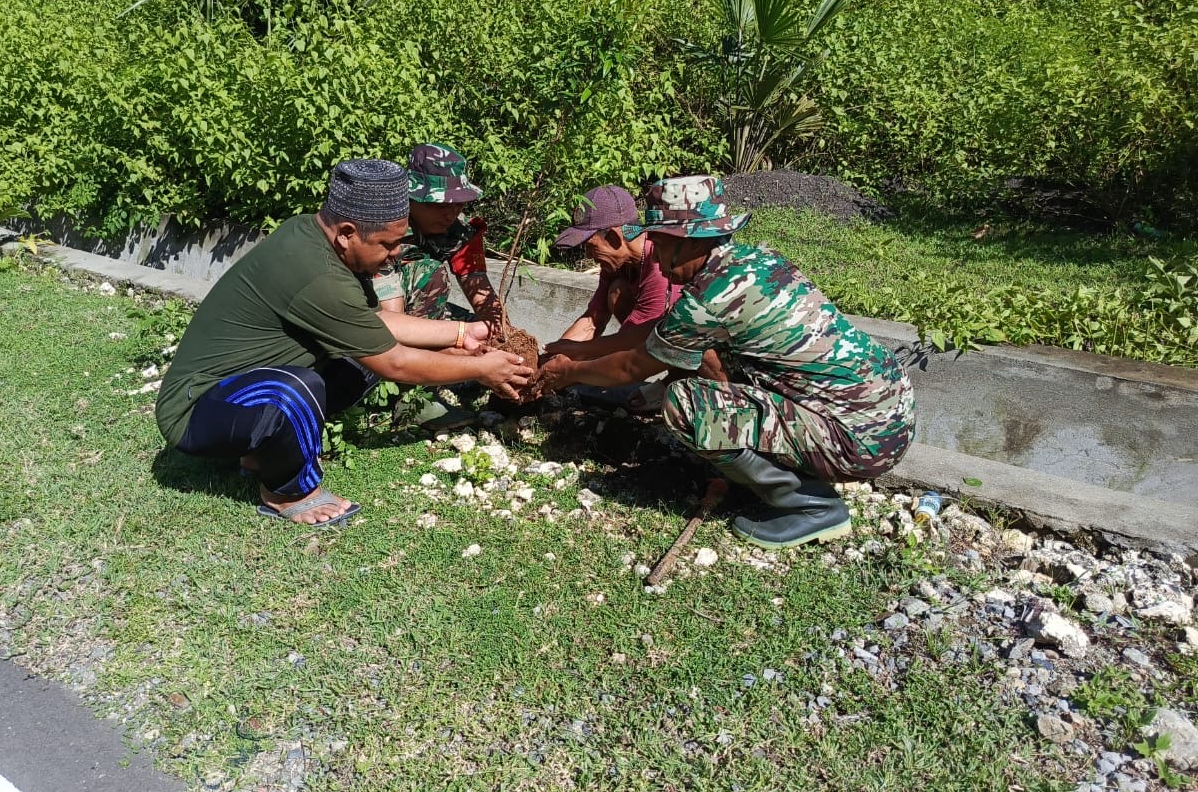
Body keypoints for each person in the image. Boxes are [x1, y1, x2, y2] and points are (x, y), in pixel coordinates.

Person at [535, 175, 915, 549]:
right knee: (722, 368)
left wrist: (569, 372)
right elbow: (658, 332)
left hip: (859, 440)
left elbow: (631, 368)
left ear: (685, 242)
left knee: (686, 404)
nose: (659, 260)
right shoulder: (760, 261)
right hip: (888, 412)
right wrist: (576, 351)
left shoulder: (708, 300)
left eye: (660, 244)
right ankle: (776, 468)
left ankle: (812, 506)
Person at [155, 158, 532, 527]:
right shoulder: (317, 275)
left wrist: (464, 333)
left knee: (357, 362)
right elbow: (395, 363)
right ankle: (288, 492)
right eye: (388, 244)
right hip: (196, 411)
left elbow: (376, 323)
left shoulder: (314, 235)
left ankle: (257, 454)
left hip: (239, 394)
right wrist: (480, 369)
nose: (395, 253)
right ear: (347, 233)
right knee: (297, 389)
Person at [373, 143, 506, 429]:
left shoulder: (459, 232)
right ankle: (412, 397)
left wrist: (503, 336)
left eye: (458, 204)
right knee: (431, 274)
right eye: (439, 205)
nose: (450, 214)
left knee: (481, 331)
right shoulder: (383, 228)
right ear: (410, 198)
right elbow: (390, 320)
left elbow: (479, 289)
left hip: (410, 312)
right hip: (372, 320)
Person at [546, 184, 680, 360]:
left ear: (613, 237)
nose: (588, 255)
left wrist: (570, 366)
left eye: (590, 246)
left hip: (682, 343)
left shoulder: (659, 265)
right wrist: (553, 356)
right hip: (641, 335)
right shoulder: (616, 263)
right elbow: (593, 320)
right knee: (617, 290)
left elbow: (634, 338)